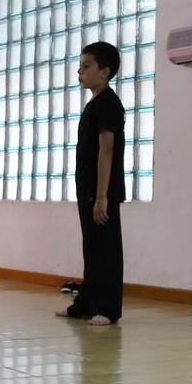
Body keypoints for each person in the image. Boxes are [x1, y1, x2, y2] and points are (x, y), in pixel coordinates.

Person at [55, 42, 125, 326]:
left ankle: (107, 309)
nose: (80, 72)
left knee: (106, 251)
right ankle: (86, 303)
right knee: (92, 249)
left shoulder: (109, 103)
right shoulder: (94, 104)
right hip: (88, 191)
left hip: (102, 192)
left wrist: (101, 196)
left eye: (86, 66)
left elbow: (106, 150)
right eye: (80, 66)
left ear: (105, 71)